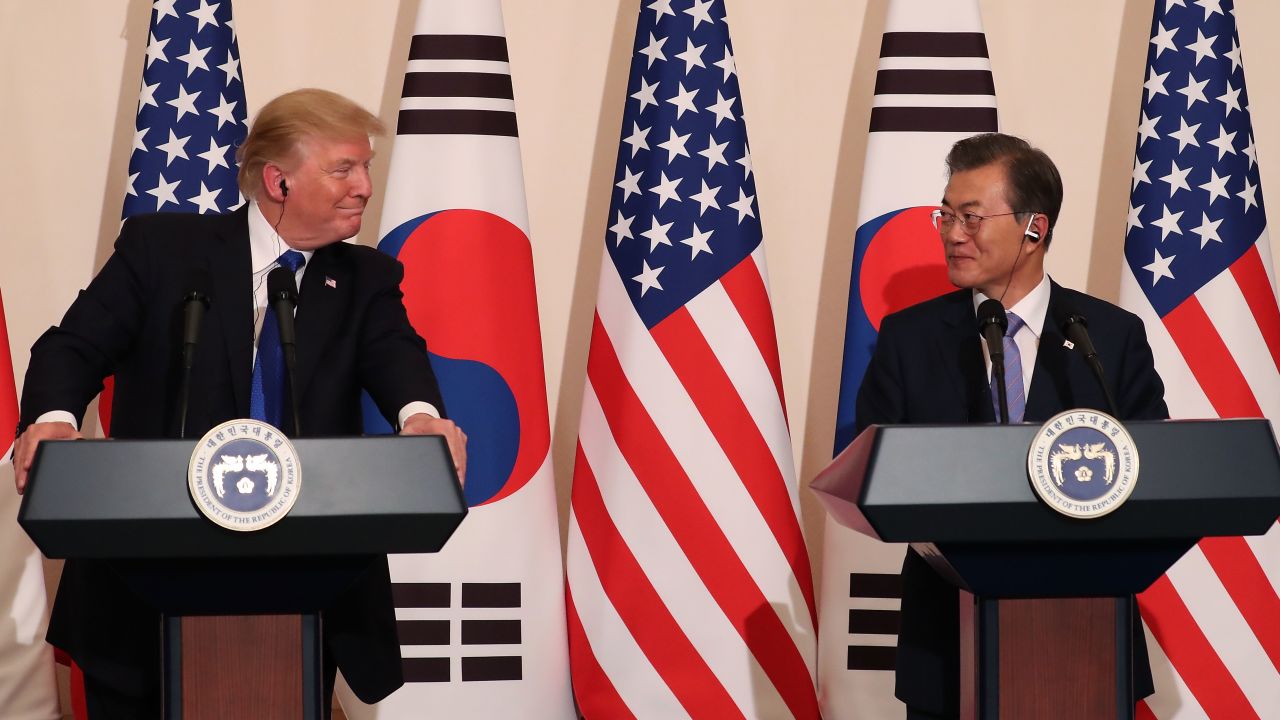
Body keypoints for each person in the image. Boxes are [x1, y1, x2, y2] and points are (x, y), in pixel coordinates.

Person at [12, 88, 466, 718]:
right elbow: (74, 347)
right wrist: (53, 421)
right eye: (343, 169)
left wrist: (421, 416)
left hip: (307, 580)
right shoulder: (162, 250)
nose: (364, 185)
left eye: (365, 167)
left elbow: (396, 353)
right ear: (278, 181)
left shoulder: (365, 278)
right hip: (144, 586)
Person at [854, 133, 1169, 719]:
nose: (951, 234)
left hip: (1086, 640)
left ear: (1034, 229)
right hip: (945, 645)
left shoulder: (1109, 337)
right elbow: (864, 465)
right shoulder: (910, 338)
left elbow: (1156, 469)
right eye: (945, 216)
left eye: (971, 218)